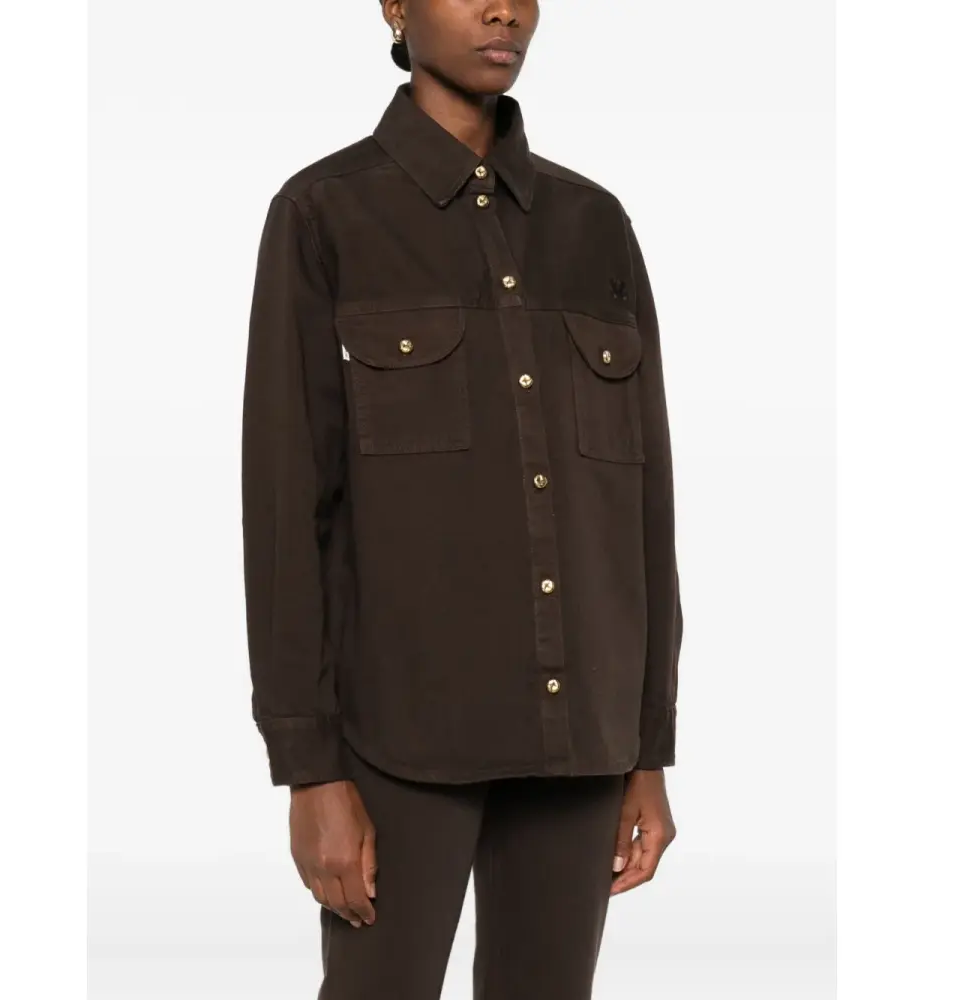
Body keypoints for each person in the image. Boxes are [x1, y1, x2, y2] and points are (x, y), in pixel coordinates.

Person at [240, 2, 684, 997]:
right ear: (395, 6)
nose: (503, 10)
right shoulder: (323, 214)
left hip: (580, 743)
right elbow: (285, 510)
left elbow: (643, 508)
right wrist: (310, 769)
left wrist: (646, 749)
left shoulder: (594, 224)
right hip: (398, 739)